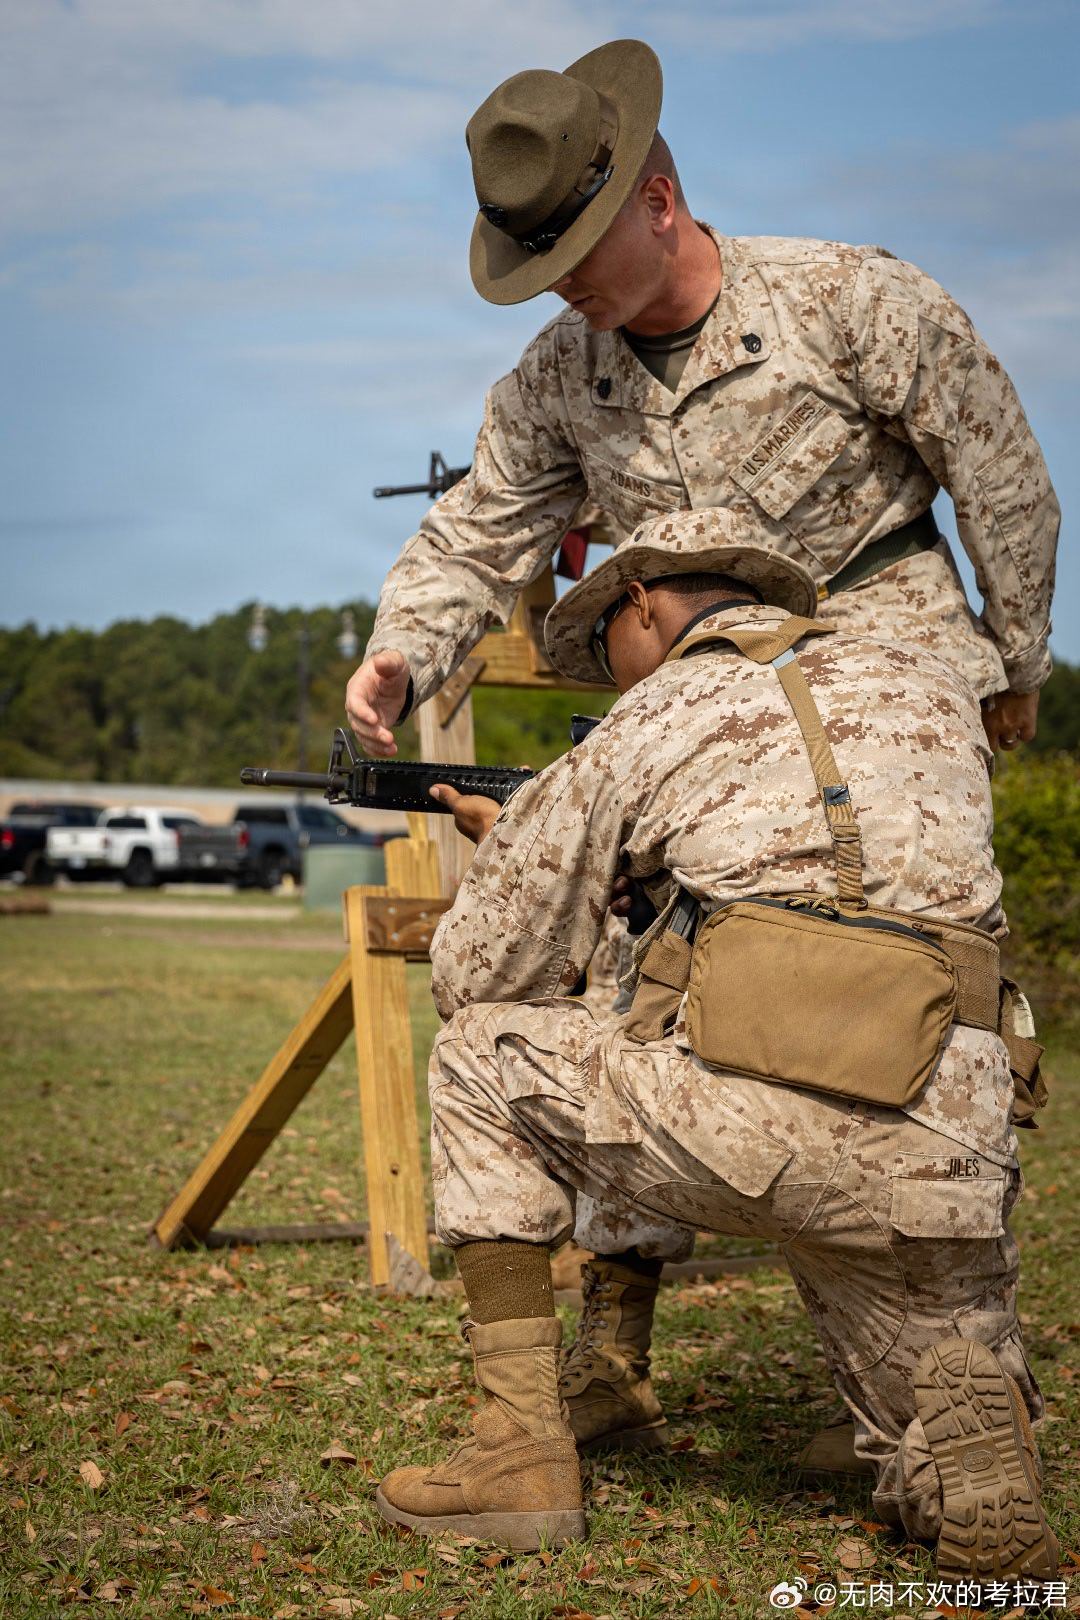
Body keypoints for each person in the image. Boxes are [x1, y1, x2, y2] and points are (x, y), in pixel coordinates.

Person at [348, 36, 1059, 1457]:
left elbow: (1003, 477)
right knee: (633, 984)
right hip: (691, 732)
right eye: (533, 265)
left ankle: (953, 1354)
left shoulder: (855, 301)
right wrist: (401, 646)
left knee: (889, 1005)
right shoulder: (562, 377)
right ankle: (610, 1353)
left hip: (881, 689)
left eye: (574, 257)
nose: (560, 292)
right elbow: (478, 526)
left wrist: (1011, 664)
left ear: (657, 200)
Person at [374, 512, 1056, 1582]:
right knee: (925, 1410)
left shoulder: (651, 720)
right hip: (951, 1151)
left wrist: (523, 851)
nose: (609, 679)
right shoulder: (925, 683)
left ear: (641, 606)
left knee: (476, 1054)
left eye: (604, 651)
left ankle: (515, 1456)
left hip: (767, 1129)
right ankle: (956, 1457)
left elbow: (479, 970)